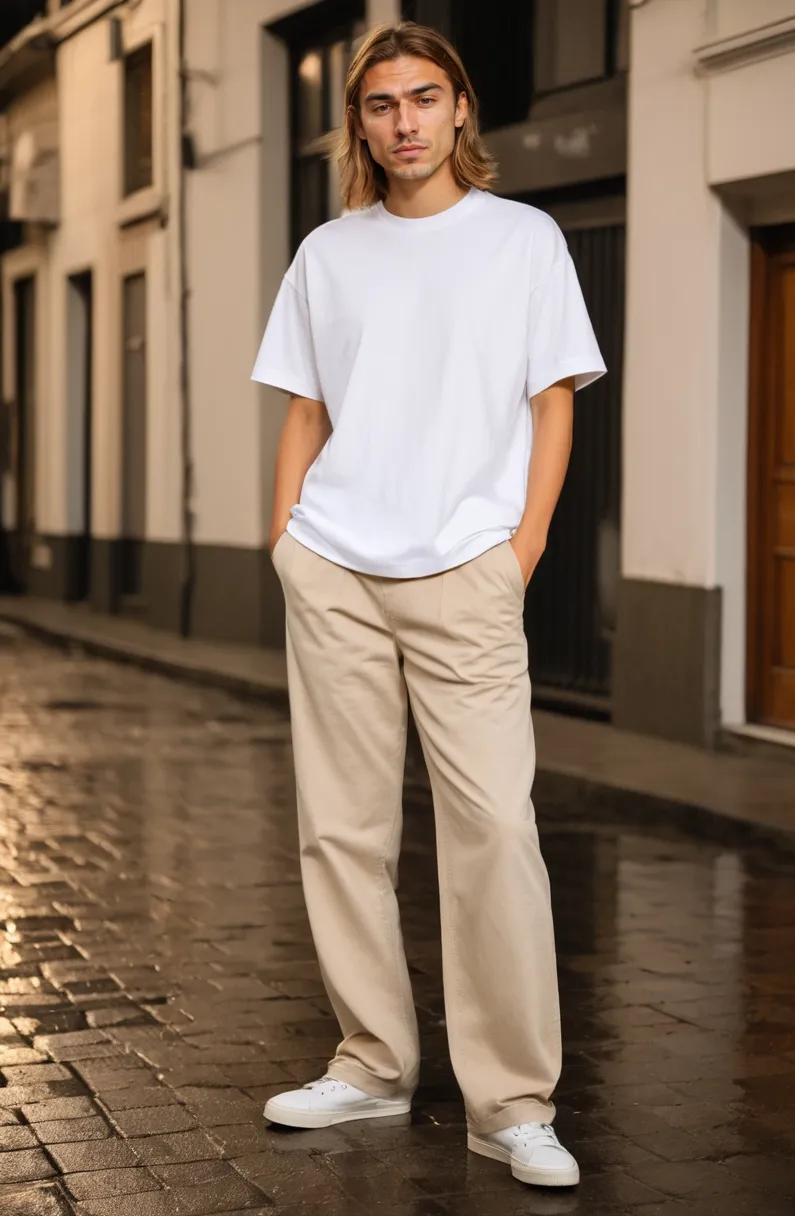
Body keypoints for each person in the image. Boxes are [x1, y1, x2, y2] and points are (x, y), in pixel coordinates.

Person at [251, 20, 605, 1190]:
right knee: (341, 828)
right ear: (358, 124)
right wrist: (286, 539)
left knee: (494, 831)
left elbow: (552, 401)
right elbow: (305, 408)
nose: (403, 120)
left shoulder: (522, 240)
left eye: (422, 97)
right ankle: (371, 1063)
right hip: (335, 569)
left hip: (467, 570)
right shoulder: (328, 253)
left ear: (460, 109)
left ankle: (512, 1104)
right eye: (380, 103)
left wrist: (522, 548)